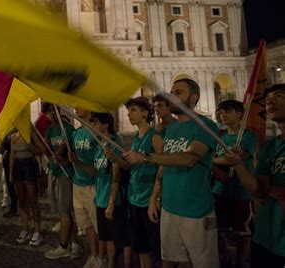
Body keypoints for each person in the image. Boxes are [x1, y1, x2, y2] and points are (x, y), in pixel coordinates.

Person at [124, 78, 219, 268]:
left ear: (194, 97)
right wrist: (153, 198)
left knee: (202, 262)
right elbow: (164, 167)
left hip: (195, 209)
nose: (172, 97)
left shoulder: (205, 126)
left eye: (178, 93)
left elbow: (189, 158)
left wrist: (146, 157)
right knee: (173, 258)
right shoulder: (171, 128)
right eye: (172, 92)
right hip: (169, 207)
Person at [225, 84, 285, 268]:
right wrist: (238, 164)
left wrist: (270, 190)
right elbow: (258, 190)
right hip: (265, 236)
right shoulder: (269, 147)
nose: (269, 101)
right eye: (267, 99)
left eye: (279, 96)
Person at [212, 100, 257, 268]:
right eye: (221, 111)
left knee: (242, 231)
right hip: (220, 189)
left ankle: (239, 261)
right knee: (216, 229)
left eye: (228, 111)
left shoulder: (248, 136)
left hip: (241, 191)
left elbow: (241, 158)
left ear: (239, 114)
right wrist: (217, 170)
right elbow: (211, 161)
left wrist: (223, 160)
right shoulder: (220, 137)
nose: (222, 115)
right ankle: (224, 259)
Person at [124, 97, 163, 268]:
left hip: (148, 200)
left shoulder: (154, 137)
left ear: (145, 113)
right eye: (128, 110)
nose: (129, 114)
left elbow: (164, 165)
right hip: (134, 198)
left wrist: (154, 198)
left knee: (156, 247)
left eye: (133, 110)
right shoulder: (136, 138)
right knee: (141, 246)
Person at [91, 112, 131, 268]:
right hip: (101, 198)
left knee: (122, 238)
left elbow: (116, 176)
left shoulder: (113, 144)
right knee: (108, 237)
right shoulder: (99, 145)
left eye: (95, 123)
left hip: (113, 199)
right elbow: (97, 171)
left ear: (105, 124)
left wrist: (111, 203)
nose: (93, 126)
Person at [42, 106, 82, 260]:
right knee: (63, 212)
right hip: (55, 172)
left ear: (59, 111)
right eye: (48, 111)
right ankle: (75, 244)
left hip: (66, 173)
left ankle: (63, 245)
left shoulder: (68, 128)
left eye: (54, 110)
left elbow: (75, 153)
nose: (52, 114)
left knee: (65, 212)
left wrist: (63, 152)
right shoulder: (50, 130)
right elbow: (46, 151)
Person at [67, 108, 102, 267]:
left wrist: (78, 162)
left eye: (79, 105)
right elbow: (75, 159)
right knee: (86, 225)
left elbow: (98, 167)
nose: (75, 108)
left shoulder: (95, 133)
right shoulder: (76, 133)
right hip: (77, 184)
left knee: (97, 226)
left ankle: (101, 257)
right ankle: (92, 255)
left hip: (92, 185)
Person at [10, 128, 45, 247]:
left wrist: (29, 143)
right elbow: (12, 154)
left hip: (29, 165)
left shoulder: (31, 132)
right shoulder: (13, 135)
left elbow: (40, 152)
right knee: (22, 200)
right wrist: (11, 173)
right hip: (18, 166)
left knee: (33, 200)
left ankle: (37, 231)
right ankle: (25, 229)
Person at [0, 130, 18, 217]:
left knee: (17, 185)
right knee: (9, 184)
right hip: (7, 160)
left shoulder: (19, 131)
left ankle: (17, 207)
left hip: (16, 160)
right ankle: (14, 206)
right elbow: (3, 145)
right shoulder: (6, 131)